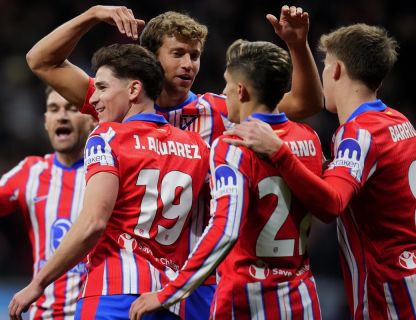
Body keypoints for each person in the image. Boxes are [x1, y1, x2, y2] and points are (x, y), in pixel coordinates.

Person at [24, 5, 323, 318]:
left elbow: (306, 103)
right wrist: (93, 14)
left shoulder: (221, 111)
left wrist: (298, 45)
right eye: (178, 53)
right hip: (130, 272)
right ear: (152, 57)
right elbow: (40, 60)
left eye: (194, 56)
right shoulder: (118, 100)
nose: (188, 65)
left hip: (200, 279)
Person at [224, 23, 416, 319]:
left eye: (325, 66)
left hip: (390, 289)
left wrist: (279, 151)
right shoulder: (399, 121)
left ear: (336, 70)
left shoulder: (357, 134)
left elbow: (331, 205)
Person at [9, 43, 210, 320]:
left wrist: (38, 283)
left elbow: (93, 222)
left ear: (133, 90)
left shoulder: (107, 137)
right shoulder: (197, 147)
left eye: (102, 88)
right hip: (169, 300)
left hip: (111, 295)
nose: (92, 99)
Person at [129, 38, 324, 320]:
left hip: (244, 300)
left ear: (241, 90)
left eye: (227, 84)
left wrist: (170, 292)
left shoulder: (232, 145)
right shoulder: (309, 138)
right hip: (301, 298)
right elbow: (329, 205)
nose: (224, 92)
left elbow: (226, 229)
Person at [0, 88, 96, 319]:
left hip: (97, 312)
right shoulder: (31, 172)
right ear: (46, 121)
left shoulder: (106, 173)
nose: (62, 116)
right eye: (54, 109)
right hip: (45, 313)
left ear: (92, 119)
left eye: (72, 109)